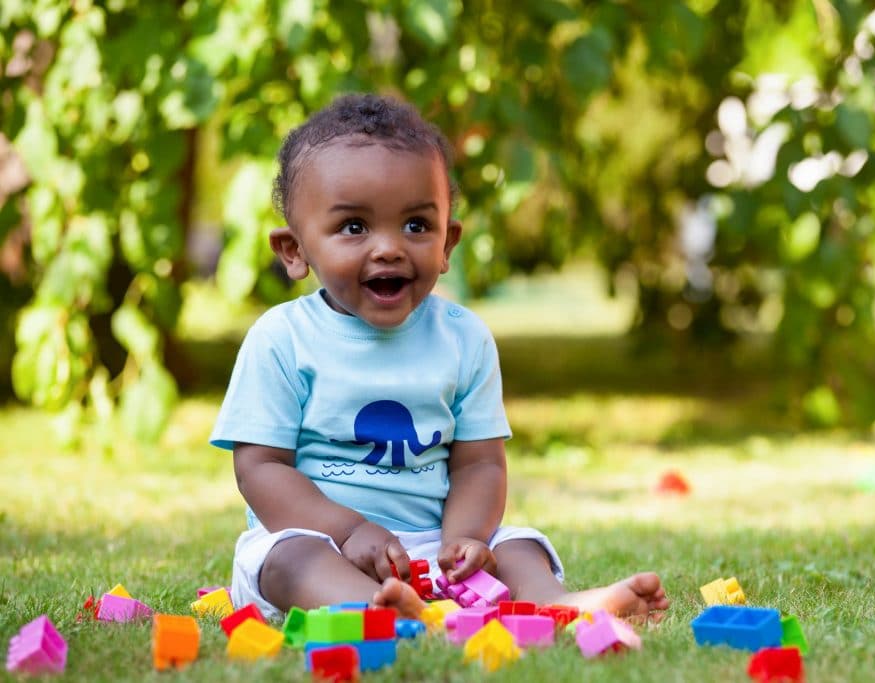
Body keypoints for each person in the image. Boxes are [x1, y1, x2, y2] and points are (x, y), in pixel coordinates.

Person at [210, 93, 670, 621]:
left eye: (415, 225)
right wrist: (349, 530)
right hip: (323, 544)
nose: (389, 248)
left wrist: (465, 540)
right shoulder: (281, 339)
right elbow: (261, 469)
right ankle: (375, 609)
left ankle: (562, 607)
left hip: (432, 547)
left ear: (448, 242)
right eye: (354, 227)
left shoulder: (463, 340)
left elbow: (479, 464)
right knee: (287, 559)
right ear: (294, 250)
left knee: (519, 545)